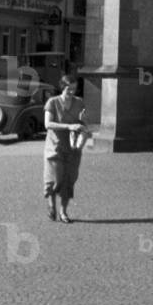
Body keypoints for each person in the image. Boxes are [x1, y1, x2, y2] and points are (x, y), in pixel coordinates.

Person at [43, 75, 88, 223]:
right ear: (63, 87)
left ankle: (63, 212)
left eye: (74, 89)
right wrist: (69, 126)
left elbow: (82, 123)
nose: (72, 92)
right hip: (55, 146)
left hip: (73, 147)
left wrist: (82, 123)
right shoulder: (52, 102)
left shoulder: (79, 102)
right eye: (69, 89)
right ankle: (51, 204)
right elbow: (47, 124)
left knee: (69, 180)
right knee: (56, 179)